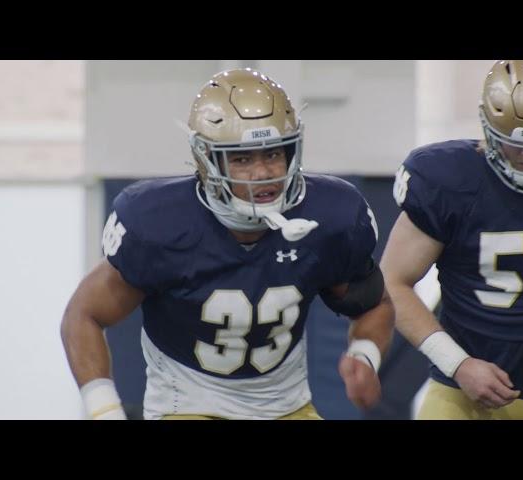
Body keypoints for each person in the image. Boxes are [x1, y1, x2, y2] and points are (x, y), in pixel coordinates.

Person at [60, 68, 394, 420]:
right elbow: (83, 315)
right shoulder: (159, 223)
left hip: (286, 405)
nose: (264, 173)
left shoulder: (328, 217)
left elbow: (374, 303)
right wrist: (104, 409)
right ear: (207, 161)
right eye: (242, 159)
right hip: (188, 403)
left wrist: (364, 355)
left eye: (273, 153)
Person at [381, 60, 523, 419]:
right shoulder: (448, 180)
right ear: (488, 126)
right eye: (513, 142)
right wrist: (457, 363)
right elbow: (392, 283)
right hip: (465, 390)